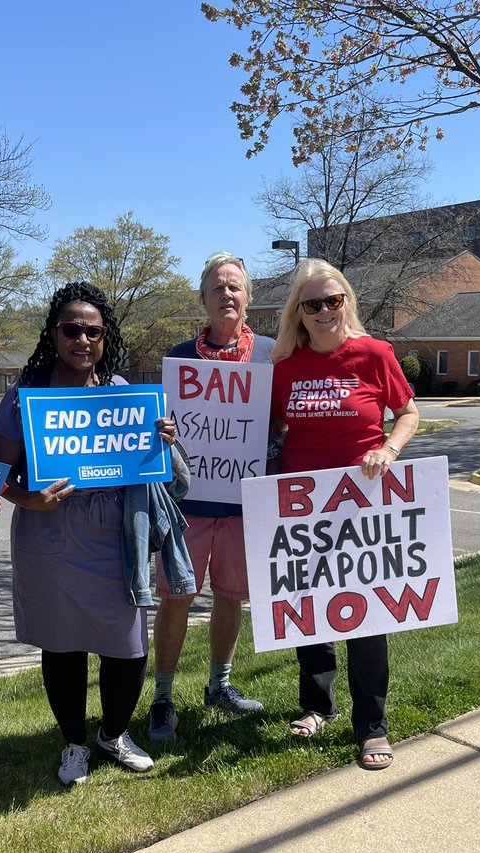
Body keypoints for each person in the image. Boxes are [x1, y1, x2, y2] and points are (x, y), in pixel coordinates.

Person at [0, 281, 179, 787]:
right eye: (71, 329)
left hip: (116, 537)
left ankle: (113, 734)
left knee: (128, 645)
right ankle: (74, 742)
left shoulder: (122, 395)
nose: (82, 339)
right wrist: (29, 498)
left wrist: (161, 441)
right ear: (54, 333)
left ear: (104, 337)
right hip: (49, 535)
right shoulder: (24, 396)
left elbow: (153, 470)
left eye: (93, 331)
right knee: (62, 644)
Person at [269, 259, 419, 770]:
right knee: (310, 610)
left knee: (366, 613)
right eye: (314, 303)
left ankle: (372, 725)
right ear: (300, 313)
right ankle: (316, 706)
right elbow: (257, 428)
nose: (326, 310)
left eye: (334, 300)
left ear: (347, 302)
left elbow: (409, 413)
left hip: (362, 502)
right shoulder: (285, 368)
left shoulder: (375, 354)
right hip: (301, 505)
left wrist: (391, 450)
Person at [148, 252, 275, 742]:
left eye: (235, 287)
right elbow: (162, 425)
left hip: (245, 499)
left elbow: (282, 416)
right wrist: (164, 429)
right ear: (202, 299)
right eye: (217, 287)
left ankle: (219, 685)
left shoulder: (270, 353)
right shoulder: (181, 359)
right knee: (176, 595)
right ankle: (162, 697)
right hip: (189, 503)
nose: (227, 294)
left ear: (248, 297)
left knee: (231, 595)